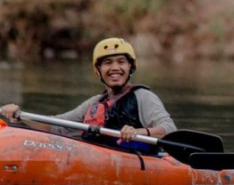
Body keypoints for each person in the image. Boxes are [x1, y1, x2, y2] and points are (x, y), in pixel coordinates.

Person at [0, 37, 177, 153]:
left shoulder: (143, 97)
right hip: (98, 160)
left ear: (131, 67)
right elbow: (56, 127)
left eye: (121, 62)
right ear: (97, 70)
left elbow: (169, 129)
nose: (115, 68)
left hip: (136, 162)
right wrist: (20, 115)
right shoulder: (94, 103)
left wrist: (139, 132)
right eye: (107, 63)